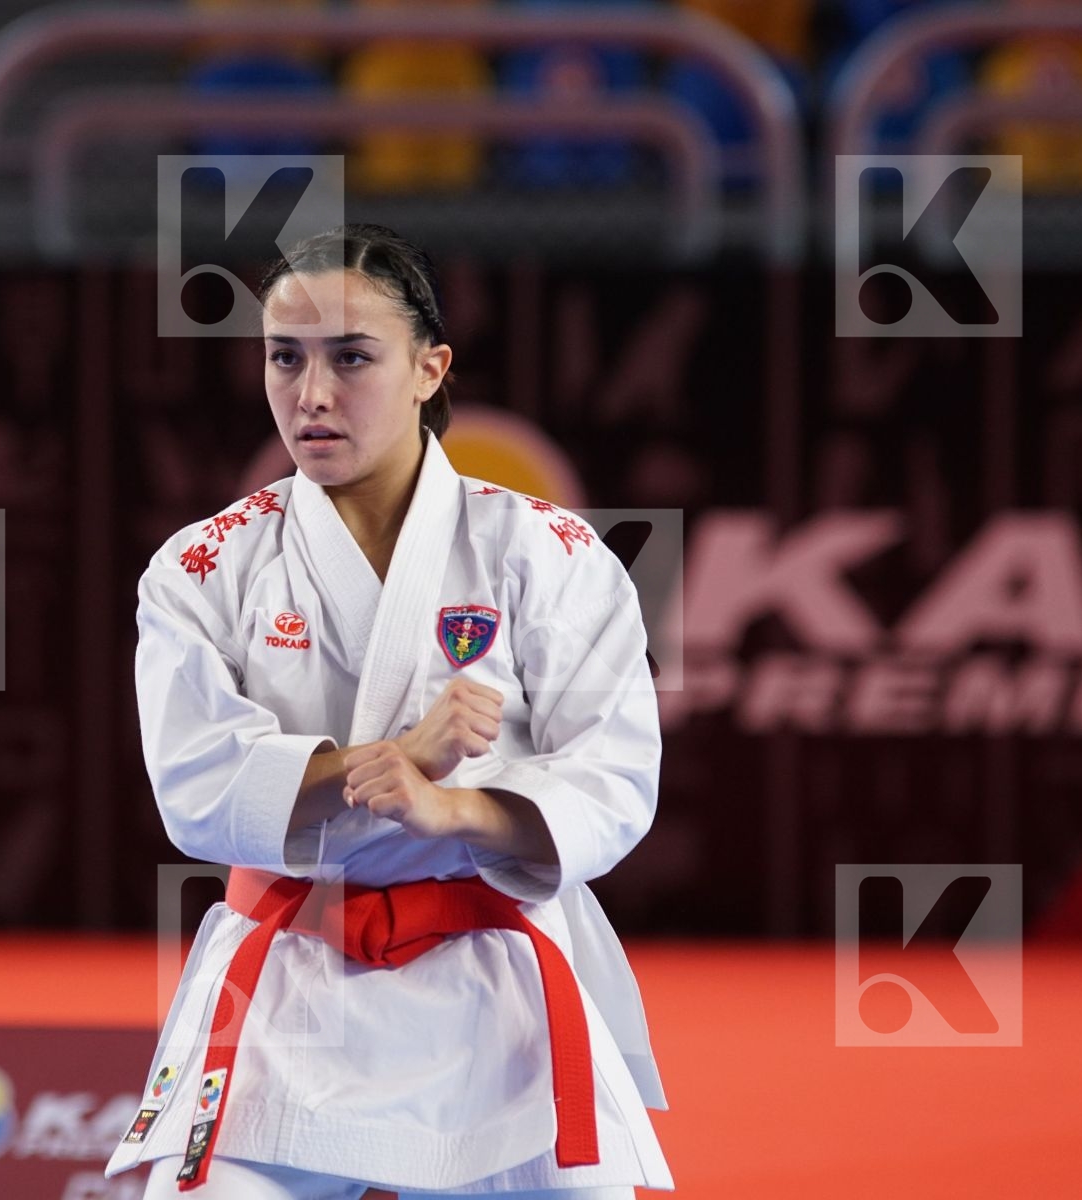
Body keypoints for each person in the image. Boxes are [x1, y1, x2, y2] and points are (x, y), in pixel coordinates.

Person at [104, 223, 671, 1198]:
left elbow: (614, 778)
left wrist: (460, 811)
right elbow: (196, 790)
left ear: (429, 369)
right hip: (291, 985)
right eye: (285, 358)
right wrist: (396, 758)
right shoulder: (205, 566)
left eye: (351, 358)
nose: (311, 395)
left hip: (497, 991)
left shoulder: (546, 552)